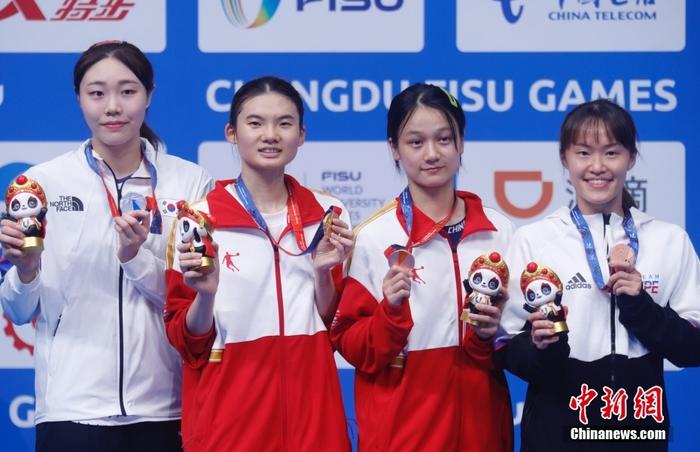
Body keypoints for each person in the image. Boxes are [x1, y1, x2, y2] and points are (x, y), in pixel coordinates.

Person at [0, 41, 213, 452]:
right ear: (79, 98)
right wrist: (26, 271)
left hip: (166, 406)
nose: (113, 107)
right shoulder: (40, 184)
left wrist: (135, 259)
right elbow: (18, 310)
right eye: (97, 93)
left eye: (128, 91)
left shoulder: (190, 182)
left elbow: (194, 297)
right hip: (71, 408)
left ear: (149, 95)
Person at [497, 99, 700, 451]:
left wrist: (641, 306)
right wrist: (543, 348)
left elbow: (693, 350)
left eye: (611, 153)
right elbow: (504, 345)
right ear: (565, 158)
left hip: (638, 433)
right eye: (583, 153)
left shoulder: (669, 240)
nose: (597, 167)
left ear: (631, 158)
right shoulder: (534, 240)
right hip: (555, 435)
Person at [164, 76, 354, 451]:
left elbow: (337, 327)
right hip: (230, 427)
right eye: (255, 123)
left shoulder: (328, 215)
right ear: (231, 133)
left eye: (284, 123)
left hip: (314, 425)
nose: (271, 135)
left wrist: (322, 275)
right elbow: (187, 344)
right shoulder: (198, 221)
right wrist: (206, 295)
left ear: (301, 135)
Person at [330, 83, 514, 451]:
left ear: (461, 143)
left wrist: (493, 333)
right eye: (416, 142)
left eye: (444, 139)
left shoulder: (499, 231)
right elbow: (350, 345)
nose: (432, 154)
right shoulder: (372, 237)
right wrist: (390, 313)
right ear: (394, 149)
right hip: (403, 436)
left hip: (483, 433)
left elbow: (518, 336)